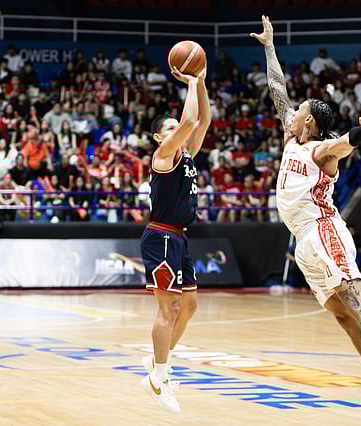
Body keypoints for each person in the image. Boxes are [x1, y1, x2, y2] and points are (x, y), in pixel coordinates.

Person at [252, 15, 361, 422]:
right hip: (302, 240)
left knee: (355, 301)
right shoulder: (291, 136)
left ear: (310, 121)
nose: (293, 112)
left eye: (300, 111)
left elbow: (345, 143)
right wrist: (270, 47)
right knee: (339, 313)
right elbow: (278, 90)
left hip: (323, 230)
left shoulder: (321, 151)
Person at [139, 62, 211, 414]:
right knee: (168, 309)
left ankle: (158, 361)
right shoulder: (164, 155)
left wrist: (202, 82)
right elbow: (189, 122)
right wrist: (191, 81)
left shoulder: (186, 155)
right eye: (169, 129)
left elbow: (203, 121)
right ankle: (159, 377)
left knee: (189, 306)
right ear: (159, 138)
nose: (177, 131)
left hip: (180, 238)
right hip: (161, 237)